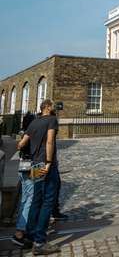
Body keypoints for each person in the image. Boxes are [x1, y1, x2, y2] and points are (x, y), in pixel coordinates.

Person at [18, 99, 61, 255]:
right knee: (48, 201)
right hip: (46, 165)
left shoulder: (34, 123)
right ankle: (40, 242)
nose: (55, 108)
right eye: (53, 106)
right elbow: (50, 141)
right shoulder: (51, 120)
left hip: (35, 165)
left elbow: (21, 144)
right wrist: (49, 162)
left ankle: (29, 237)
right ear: (47, 107)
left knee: (36, 199)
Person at [12, 113, 35, 247]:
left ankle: (22, 227)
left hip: (23, 166)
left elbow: (19, 147)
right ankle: (19, 233)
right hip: (28, 167)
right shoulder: (29, 135)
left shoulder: (24, 133)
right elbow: (21, 147)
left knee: (25, 198)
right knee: (30, 198)